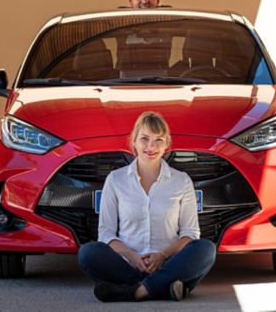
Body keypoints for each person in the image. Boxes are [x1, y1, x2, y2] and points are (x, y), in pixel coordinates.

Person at [78, 111, 216, 302]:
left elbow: (190, 233)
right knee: (88, 253)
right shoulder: (115, 180)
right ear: (134, 141)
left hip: (171, 264)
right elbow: (106, 234)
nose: (151, 146)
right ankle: (164, 288)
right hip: (127, 266)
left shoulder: (182, 181)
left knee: (206, 249)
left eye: (158, 140)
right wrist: (133, 257)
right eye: (144, 139)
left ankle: (135, 292)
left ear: (166, 144)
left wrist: (162, 256)